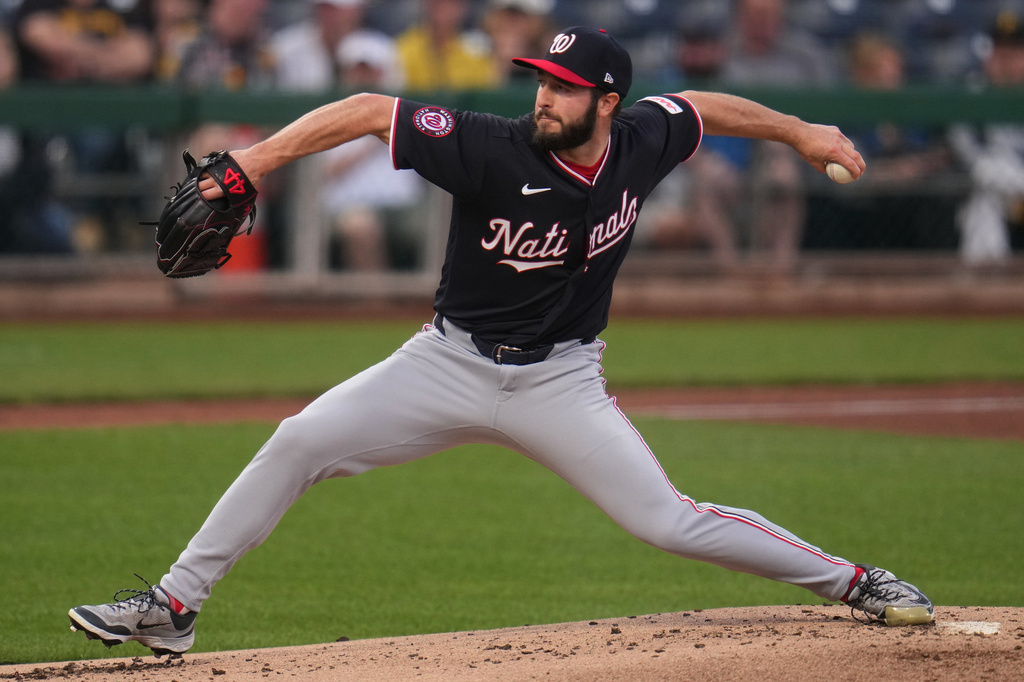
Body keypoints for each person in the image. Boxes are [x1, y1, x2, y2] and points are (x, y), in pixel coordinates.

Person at [68, 26, 933, 657]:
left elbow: (704, 105)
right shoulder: (489, 148)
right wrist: (252, 164)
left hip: (562, 383)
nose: (542, 97)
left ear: (606, 102)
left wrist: (803, 132)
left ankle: (858, 582)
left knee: (665, 519)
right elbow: (372, 109)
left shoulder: (642, 140)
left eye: (562, 86)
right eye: (539, 81)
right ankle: (175, 605)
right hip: (445, 362)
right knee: (298, 441)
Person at [948, 10, 1024, 264]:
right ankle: (984, 290)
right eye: (999, 53)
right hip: (992, 190)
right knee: (984, 196)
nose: (1005, 61)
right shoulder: (973, 92)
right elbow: (967, 151)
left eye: (1014, 53)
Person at [395, 0, 498, 92]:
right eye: (438, 3)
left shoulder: (476, 51)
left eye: (452, 3)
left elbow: (485, 93)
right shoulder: (402, 48)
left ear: (463, 7)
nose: (445, 8)